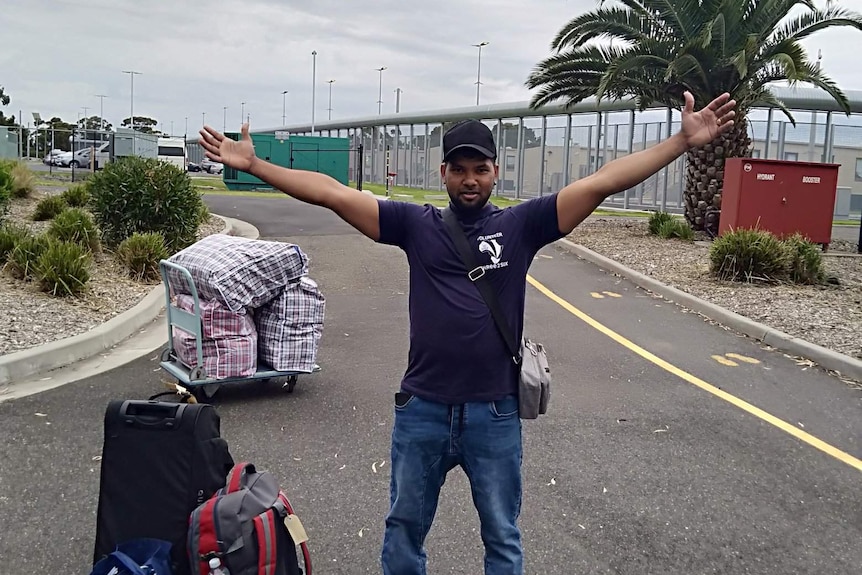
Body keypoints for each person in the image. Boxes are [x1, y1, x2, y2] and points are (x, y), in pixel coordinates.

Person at [198, 91, 736, 574]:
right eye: (460, 170)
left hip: (494, 412)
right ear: (444, 174)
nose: (471, 179)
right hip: (423, 409)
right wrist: (256, 166)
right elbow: (333, 194)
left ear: (495, 172)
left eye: (480, 169)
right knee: (404, 530)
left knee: (502, 537)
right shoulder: (415, 226)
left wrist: (680, 143)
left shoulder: (521, 226)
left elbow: (603, 180)